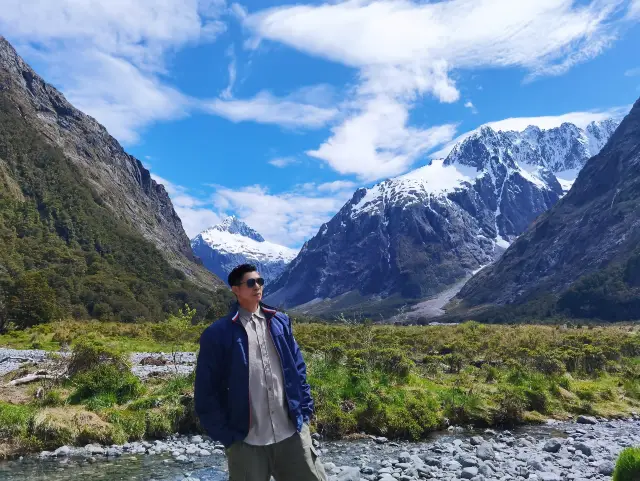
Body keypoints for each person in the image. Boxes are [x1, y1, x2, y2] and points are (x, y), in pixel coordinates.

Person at [194, 263, 328, 481]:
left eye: (260, 281)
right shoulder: (217, 334)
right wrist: (228, 437)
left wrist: (304, 412)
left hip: (291, 433)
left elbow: (298, 369)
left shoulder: (280, 322)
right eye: (250, 282)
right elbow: (205, 390)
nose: (257, 286)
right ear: (236, 290)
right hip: (247, 441)